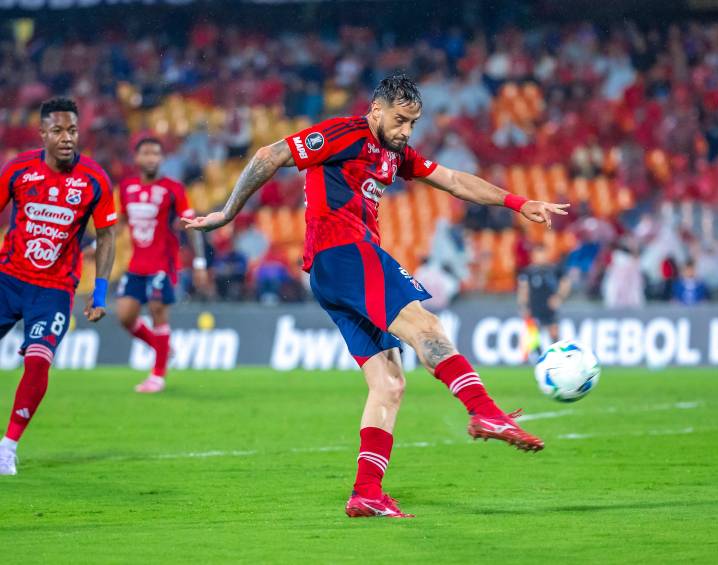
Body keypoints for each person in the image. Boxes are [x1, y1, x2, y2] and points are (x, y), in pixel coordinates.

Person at [184, 75, 569, 518]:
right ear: (376, 110)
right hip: (345, 253)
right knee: (427, 326)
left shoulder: (394, 153)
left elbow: (454, 180)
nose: (406, 131)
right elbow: (268, 155)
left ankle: (366, 492)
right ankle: (484, 410)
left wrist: (518, 203)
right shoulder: (344, 134)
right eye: (401, 120)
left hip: (330, 273)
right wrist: (227, 214)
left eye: (413, 123)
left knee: (388, 383)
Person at [0, 98, 117, 475]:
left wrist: (99, 294)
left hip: (53, 290)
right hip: (8, 280)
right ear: (42, 134)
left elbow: (107, 236)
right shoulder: (18, 169)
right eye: (58, 131)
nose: (66, 138)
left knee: (37, 363)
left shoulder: (95, 179)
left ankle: (8, 447)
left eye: (72, 130)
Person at [116, 138, 207, 393]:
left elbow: (192, 226)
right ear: (137, 158)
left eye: (156, 153)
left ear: (161, 158)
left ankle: (157, 376)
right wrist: (99, 245)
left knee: (157, 310)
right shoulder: (126, 187)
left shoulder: (173, 189)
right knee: (125, 316)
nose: (151, 158)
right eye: (146, 153)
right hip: (136, 265)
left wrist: (199, 262)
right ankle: (162, 348)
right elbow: (121, 222)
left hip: (162, 264)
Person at [517, 245, 572, 350]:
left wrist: (559, 297)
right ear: (533, 256)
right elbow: (523, 289)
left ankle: (558, 358)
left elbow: (566, 282)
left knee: (554, 333)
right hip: (534, 306)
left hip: (549, 307)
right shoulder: (528, 272)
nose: (540, 257)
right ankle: (537, 358)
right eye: (537, 254)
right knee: (533, 336)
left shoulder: (554, 269)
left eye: (542, 254)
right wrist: (523, 306)